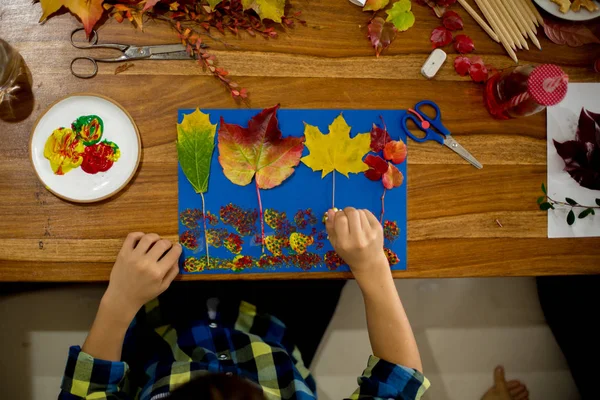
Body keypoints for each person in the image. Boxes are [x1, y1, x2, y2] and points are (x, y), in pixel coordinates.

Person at [58, 207, 429, 399]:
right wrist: (372, 267)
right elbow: (397, 383)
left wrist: (120, 300)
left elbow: (88, 391)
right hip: (280, 329)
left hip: (160, 321)